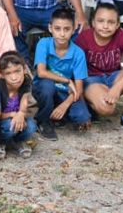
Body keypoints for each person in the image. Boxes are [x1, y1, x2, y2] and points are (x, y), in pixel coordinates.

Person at [75, 3, 123, 136]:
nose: (105, 26)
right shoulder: (84, 38)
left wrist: (117, 88)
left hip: (114, 76)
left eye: (111, 22)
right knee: (107, 108)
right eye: (100, 21)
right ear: (93, 22)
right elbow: (75, 70)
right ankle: (92, 104)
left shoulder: (122, 35)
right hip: (92, 79)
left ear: (118, 25)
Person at [32, 8, 92, 141]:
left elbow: (79, 89)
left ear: (73, 29)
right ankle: (43, 121)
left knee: (82, 116)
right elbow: (41, 72)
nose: (62, 34)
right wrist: (67, 80)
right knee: (47, 86)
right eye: (57, 29)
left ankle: (59, 114)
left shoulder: (78, 53)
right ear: (50, 28)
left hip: (64, 91)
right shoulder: (43, 43)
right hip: (43, 87)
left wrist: (65, 105)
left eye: (67, 29)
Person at [0, 51, 37, 159]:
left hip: (16, 117)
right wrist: (13, 115)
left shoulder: (26, 82)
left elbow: (24, 104)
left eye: (17, 71)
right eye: (8, 73)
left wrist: (21, 113)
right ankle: (1, 143)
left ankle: (19, 141)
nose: (14, 77)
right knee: (9, 125)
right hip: (2, 120)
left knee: (31, 125)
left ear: (24, 69)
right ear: (2, 74)